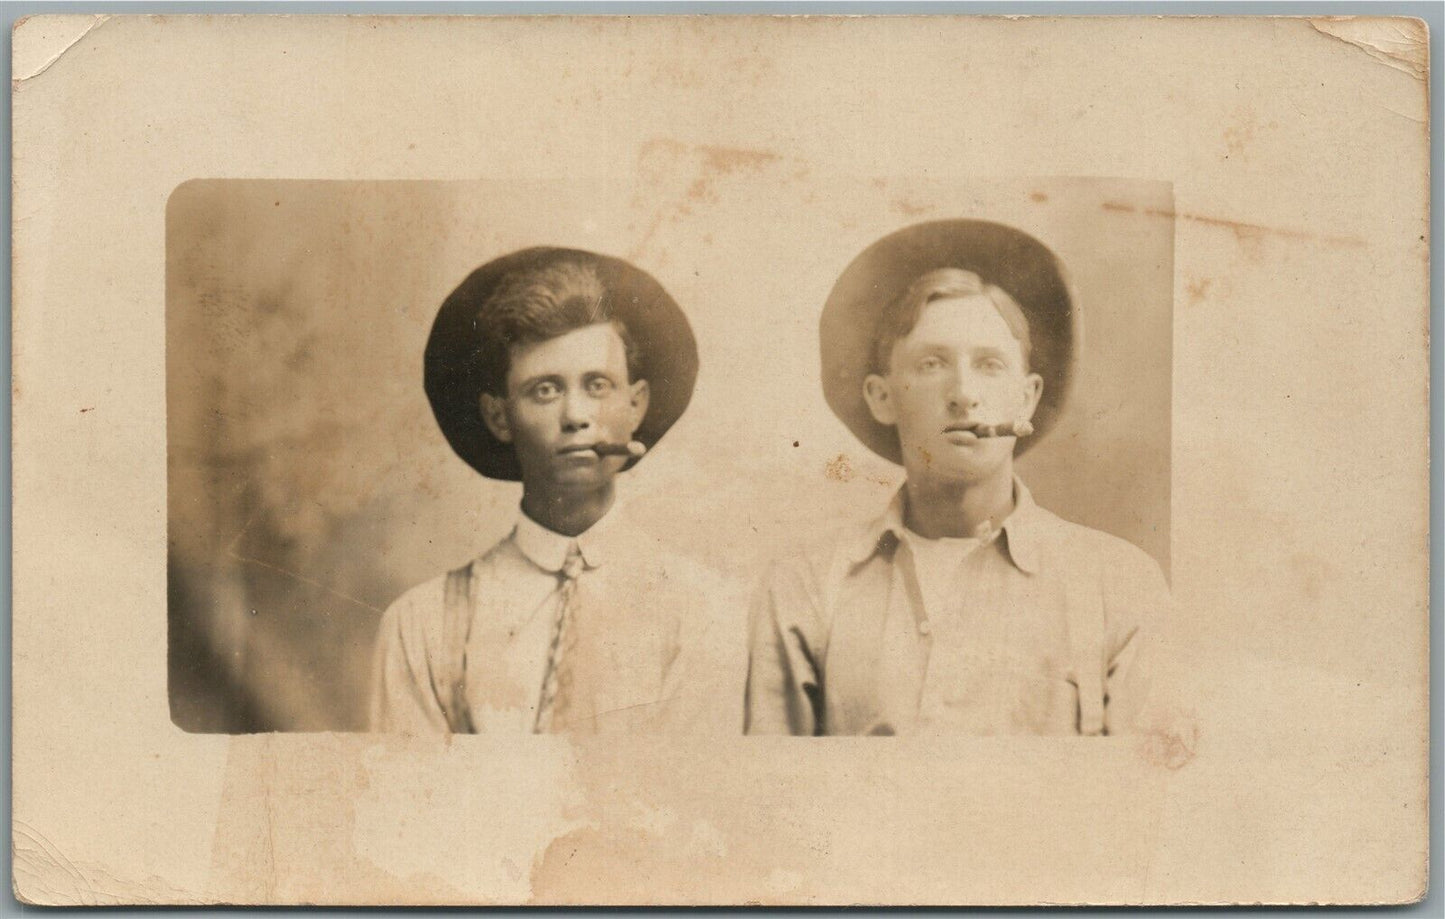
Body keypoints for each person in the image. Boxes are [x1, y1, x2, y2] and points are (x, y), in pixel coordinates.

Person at [745, 220, 1172, 736]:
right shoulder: (805, 587)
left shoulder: (1118, 584)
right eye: (931, 363)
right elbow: (774, 799)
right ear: (882, 397)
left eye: (990, 365)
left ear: (1026, 397)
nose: (964, 392)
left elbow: (1141, 801)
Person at [371, 247, 729, 734]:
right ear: (500, 417)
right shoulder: (422, 623)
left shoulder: (700, 609)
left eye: (598, 385)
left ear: (636, 405)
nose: (575, 416)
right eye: (546, 390)